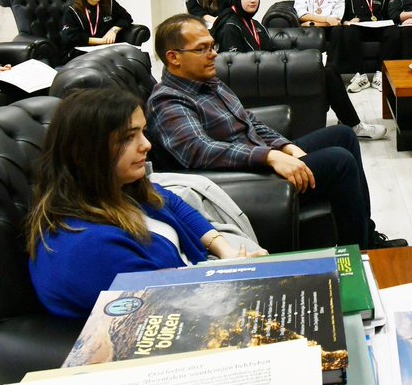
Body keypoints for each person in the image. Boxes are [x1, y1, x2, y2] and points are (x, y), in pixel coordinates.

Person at [147, 14, 406, 249]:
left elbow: (248, 120)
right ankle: (359, 250)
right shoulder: (168, 101)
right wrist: (269, 157)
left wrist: (285, 146)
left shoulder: (209, 82)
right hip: (243, 179)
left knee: (343, 135)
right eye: (201, 49)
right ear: (174, 57)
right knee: (339, 161)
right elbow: (198, 151)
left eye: (212, 46)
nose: (213, 54)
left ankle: (367, 235)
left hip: (260, 159)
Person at [26, 88, 266, 318]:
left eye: (143, 131)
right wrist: (233, 275)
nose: (146, 145)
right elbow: (174, 306)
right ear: (84, 152)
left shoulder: (121, 190)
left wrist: (225, 250)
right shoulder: (89, 248)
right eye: (129, 137)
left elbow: (173, 204)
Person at [211, 0, 388, 140]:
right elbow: (237, 68)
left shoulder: (252, 23)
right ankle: (353, 125)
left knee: (329, 69)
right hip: (256, 83)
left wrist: (297, 58)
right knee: (327, 73)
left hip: (266, 74)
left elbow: (270, 50)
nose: (253, 0)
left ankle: (349, 121)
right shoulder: (230, 27)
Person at [341, 0, 397, 93]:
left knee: (394, 31)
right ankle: (361, 77)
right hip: (358, 30)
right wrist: (348, 21)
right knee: (349, 31)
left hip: (378, 30)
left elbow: (390, 16)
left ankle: (380, 74)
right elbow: (342, 18)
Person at [59, 0, 135, 60]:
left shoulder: (110, 3)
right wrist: (101, 41)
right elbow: (71, 37)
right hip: (80, 50)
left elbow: (126, 18)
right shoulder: (72, 10)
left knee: (134, 56)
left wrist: (113, 30)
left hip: (105, 48)